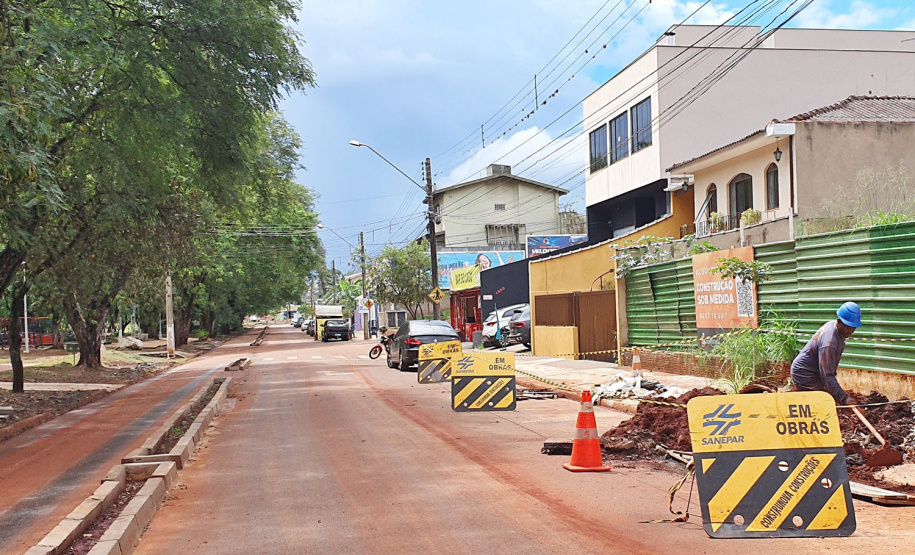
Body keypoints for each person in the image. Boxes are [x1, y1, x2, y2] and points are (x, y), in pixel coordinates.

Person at [790, 301, 861, 405]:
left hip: (815, 372)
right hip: (804, 375)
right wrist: (844, 398)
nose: (851, 330)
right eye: (848, 326)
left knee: (831, 396)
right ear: (839, 321)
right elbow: (827, 375)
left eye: (853, 327)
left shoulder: (836, 328)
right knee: (826, 402)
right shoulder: (829, 343)